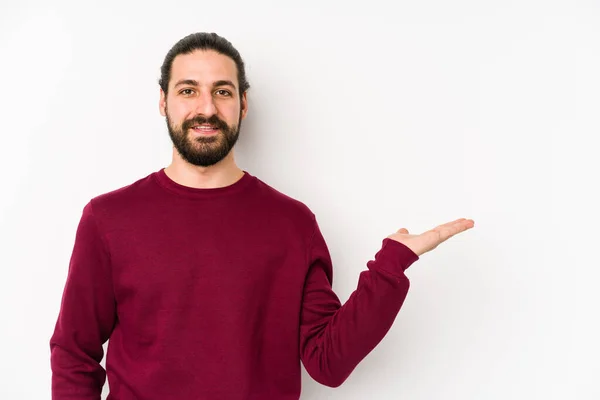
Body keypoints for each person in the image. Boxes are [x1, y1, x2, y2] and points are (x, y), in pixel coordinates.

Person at [49, 32, 474, 400]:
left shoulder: (292, 224)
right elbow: (74, 351)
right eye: (187, 90)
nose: (207, 108)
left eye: (222, 91)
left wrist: (392, 265)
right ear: (163, 101)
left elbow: (328, 362)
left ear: (243, 104)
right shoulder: (108, 219)